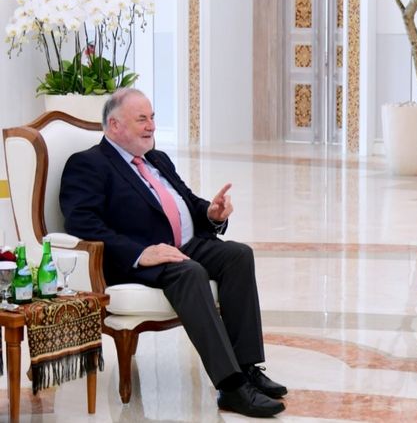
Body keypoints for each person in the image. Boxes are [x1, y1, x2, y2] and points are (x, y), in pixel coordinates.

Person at [60, 88, 285, 418]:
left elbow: (187, 203)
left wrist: (212, 213)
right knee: (190, 272)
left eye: (152, 117)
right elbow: (82, 223)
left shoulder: (156, 159)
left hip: (184, 246)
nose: (151, 125)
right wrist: (140, 252)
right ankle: (232, 386)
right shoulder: (89, 164)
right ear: (115, 125)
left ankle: (248, 367)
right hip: (139, 259)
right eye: (142, 119)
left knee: (238, 255)